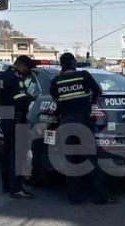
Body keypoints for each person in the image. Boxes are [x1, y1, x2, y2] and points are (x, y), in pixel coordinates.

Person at [50, 52, 118, 206]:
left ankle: (74, 198)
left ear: (61, 65)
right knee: (92, 161)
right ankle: (101, 197)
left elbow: (56, 101)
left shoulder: (56, 81)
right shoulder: (84, 76)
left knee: (70, 161)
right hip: (83, 123)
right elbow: (98, 91)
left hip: (66, 124)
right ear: (74, 63)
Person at [0, 55, 36, 199]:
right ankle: (16, 189)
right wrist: (31, 98)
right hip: (16, 119)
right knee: (17, 155)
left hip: (5, 117)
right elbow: (20, 101)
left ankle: (6, 185)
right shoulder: (16, 79)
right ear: (21, 65)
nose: (27, 71)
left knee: (7, 153)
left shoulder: (2, 76)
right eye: (27, 68)